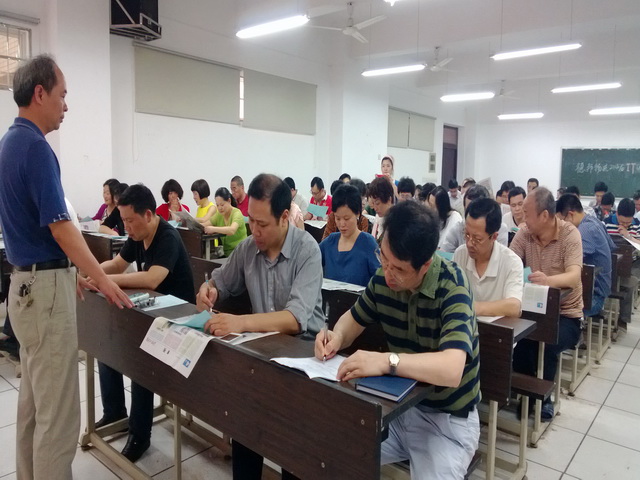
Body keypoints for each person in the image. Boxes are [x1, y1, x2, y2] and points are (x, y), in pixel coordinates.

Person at [0, 54, 132, 480]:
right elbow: (61, 229)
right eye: (62, 95)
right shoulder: (36, 148)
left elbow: (32, 229)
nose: (66, 105)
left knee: (34, 405)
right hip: (44, 292)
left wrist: (70, 273)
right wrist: (102, 279)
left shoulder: (8, 144)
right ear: (40, 94)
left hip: (25, 285)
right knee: (58, 418)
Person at [315, 201, 480, 479]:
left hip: (447, 422)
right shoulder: (383, 278)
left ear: (425, 265)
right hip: (398, 411)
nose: (388, 273)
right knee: (326, 454)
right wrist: (335, 337)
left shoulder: (453, 285)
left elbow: (452, 368)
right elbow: (352, 320)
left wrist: (386, 362)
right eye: (383, 258)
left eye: (399, 270)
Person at [196, 173, 324, 480]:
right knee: (245, 424)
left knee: (292, 442)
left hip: (305, 358)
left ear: (284, 217)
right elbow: (220, 281)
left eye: (262, 224)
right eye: (251, 221)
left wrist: (240, 322)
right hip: (263, 353)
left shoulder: (307, 250)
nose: (254, 230)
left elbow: (294, 320)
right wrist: (209, 289)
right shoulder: (248, 248)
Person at [92, 184, 195, 462]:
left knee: (140, 359)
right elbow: (117, 264)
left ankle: (140, 435)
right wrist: (92, 273)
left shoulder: (168, 236)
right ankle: (115, 412)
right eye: (123, 221)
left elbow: (152, 279)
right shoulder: (137, 234)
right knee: (106, 344)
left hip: (180, 321)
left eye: (129, 221)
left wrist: (105, 281)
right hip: (153, 316)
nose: (125, 227)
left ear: (148, 215)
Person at [510, 187, 583, 420]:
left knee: (547, 343)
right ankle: (526, 395)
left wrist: (547, 281)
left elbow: (574, 277)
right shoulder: (525, 233)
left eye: (527, 213)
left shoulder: (569, 234)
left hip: (566, 315)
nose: (523, 219)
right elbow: (509, 263)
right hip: (533, 312)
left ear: (544, 215)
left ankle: (544, 399)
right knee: (520, 342)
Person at [454, 198, 523, 317]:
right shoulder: (460, 255)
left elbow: (514, 307)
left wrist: (471, 307)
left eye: (477, 239)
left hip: (495, 328)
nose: (469, 243)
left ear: (494, 237)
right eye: (467, 235)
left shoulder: (511, 262)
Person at [556, 194, 614, 318]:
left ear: (570, 215)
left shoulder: (584, 230)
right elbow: (612, 246)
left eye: (561, 221)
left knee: (550, 309)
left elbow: (561, 260)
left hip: (594, 298)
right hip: (598, 292)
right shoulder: (594, 221)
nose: (560, 227)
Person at [319, 184, 380, 287]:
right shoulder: (329, 242)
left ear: (357, 214)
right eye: (338, 218)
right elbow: (309, 261)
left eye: (346, 218)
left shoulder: (368, 243)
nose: (342, 224)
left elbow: (379, 280)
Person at [603, 197, 640, 331]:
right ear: (617, 214)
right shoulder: (607, 222)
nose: (625, 224)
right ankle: (600, 315)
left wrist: (628, 235)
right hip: (610, 264)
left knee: (630, 283)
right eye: (622, 221)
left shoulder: (636, 224)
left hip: (631, 264)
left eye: (628, 222)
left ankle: (623, 320)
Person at [440, 184, 510, 253]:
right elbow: (444, 253)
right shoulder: (459, 227)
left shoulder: (500, 229)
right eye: (468, 211)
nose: (470, 244)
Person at [204, 187, 248, 257]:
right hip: (227, 255)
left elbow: (232, 230)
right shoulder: (219, 215)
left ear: (229, 201)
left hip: (241, 253)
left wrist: (213, 229)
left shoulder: (237, 213)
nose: (220, 208)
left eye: (222, 205)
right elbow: (205, 224)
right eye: (217, 205)